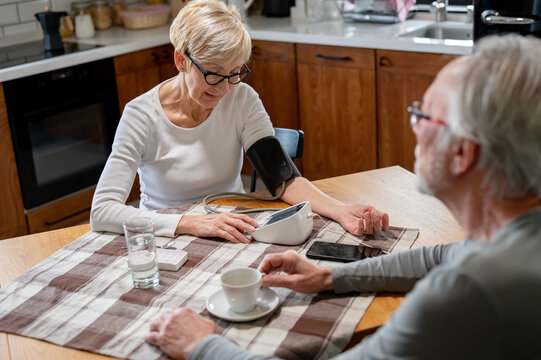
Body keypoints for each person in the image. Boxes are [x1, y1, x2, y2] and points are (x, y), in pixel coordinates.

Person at [144, 34, 541, 359]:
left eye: (422, 116)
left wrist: (203, 345)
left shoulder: (465, 293)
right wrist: (329, 276)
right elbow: (443, 255)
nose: (414, 128)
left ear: (462, 154)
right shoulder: (513, 239)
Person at [90, 0, 389, 242]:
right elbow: (103, 211)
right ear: (181, 60)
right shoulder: (140, 115)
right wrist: (191, 223)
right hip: (166, 234)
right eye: (213, 73)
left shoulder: (242, 98)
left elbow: (282, 180)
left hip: (230, 225)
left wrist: (342, 210)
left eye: (234, 73)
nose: (223, 88)